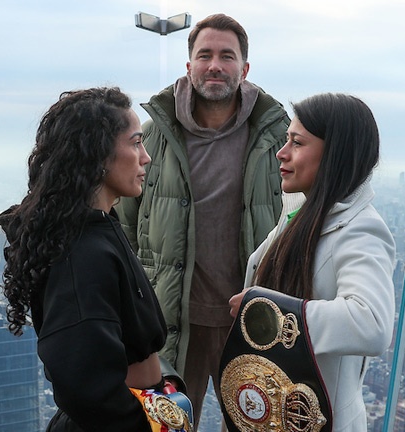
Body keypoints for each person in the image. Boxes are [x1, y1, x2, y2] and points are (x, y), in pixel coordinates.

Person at [116, 13, 302, 428]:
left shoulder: (277, 138)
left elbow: (303, 219)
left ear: (245, 68)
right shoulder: (153, 138)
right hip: (174, 323)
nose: (215, 65)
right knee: (170, 426)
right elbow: (123, 224)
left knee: (261, 426)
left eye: (226, 56)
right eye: (205, 55)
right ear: (189, 66)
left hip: (256, 319)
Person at [0, 87, 190, 431]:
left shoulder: (99, 228)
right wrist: (149, 425)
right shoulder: (82, 256)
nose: (145, 157)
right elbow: (84, 388)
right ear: (98, 156)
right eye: (135, 143)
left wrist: (165, 397)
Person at [228, 93, 396, 431]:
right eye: (286, 139)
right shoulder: (301, 212)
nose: (282, 152)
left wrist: (267, 313)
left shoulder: (359, 228)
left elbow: (372, 322)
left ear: (334, 153)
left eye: (298, 142)